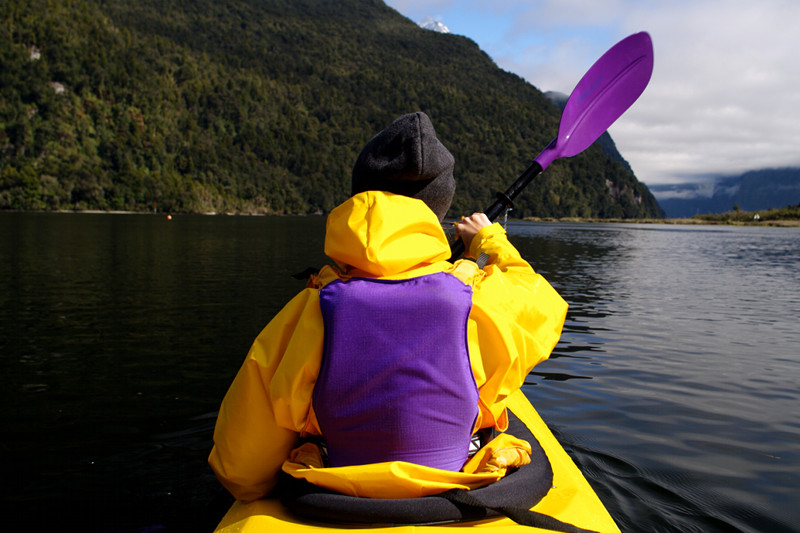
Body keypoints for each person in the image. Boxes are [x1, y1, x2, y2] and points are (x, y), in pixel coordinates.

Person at [208, 112, 568, 502]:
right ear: (440, 208)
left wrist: (259, 493)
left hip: (339, 498)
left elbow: (239, 468)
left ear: (359, 196)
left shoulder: (308, 311)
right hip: (458, 488)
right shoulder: (477, 298)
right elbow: (542, 300)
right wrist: (489, 239)